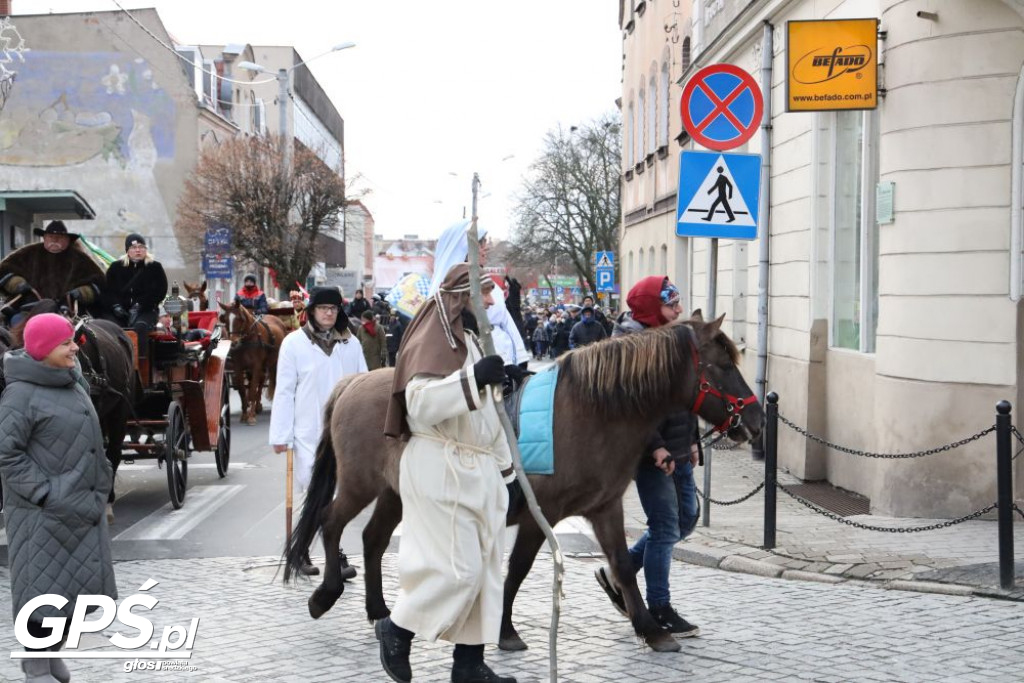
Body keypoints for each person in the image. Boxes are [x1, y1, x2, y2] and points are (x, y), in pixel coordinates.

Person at [378, 264, 522, 683]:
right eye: (487, 295)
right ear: (465, 297)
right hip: (440, 466)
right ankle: (397, 628)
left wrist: (507, 474)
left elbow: (488, 419)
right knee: (458, 571)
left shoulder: (472, 341)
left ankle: (469, 664)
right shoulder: (433, 338)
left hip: (478, 469)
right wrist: (471, 379)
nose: (493, 302)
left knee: (484, 569)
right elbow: (419, 403)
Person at [0, 313, 117, 683]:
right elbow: (6, 454)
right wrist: (45, 494)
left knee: (70, 590)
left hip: (81, 508)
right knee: (42, 590)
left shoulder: (72, 381)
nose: (74, 348)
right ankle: (35, 665)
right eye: (65, 343)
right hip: (43, 512)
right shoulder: (20, 393)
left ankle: (51, 655)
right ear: (42, 348)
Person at [594, 275, 701, 639]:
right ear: (653, 308)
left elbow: (688, 391)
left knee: (686, 520)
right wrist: (655, 445)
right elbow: (631, 406)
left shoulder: (673, 336)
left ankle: (617, 574)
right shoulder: (628, 344)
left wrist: (694, 437)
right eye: (672, 305)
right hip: (648, 452)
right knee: (665, 527)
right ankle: (659, 608)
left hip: (680, 444)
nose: (680, 310)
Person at [270, 286, 366, 577]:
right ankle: (330, 555)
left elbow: (362, 385)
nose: (328, 313)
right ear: (311, 310)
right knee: (320, 494)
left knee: (332, 496)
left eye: (333, 308)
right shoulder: (294, 344)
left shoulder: (351, 345)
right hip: (307, 431)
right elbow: (285, 391)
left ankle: (301, 553)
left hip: (343, 432)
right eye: (323, 307)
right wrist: (280, 435)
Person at [0, 220, 105, 322]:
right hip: (30, 308)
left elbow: (100, 282)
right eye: (50, 237)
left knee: (79, 333)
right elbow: (3, 270)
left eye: (59, 237)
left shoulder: (81, 259)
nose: (54, 240)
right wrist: (17, 283)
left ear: (68, 240)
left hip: (68, 311)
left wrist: (82, 292)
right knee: (16, 322)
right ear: (44, 238)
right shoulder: (27, 253)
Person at [103, 233, 168, 359]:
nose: (138, 250)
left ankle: (140, 361)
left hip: (146, 310)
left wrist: (141, 304)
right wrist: (115, 306)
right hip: (120, 311)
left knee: (141, 327)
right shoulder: (115, 267)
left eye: (141, 247)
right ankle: (112, 358)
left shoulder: (155, 267)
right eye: (134, 247)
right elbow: (107, 291)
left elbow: (160, 291)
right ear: (127, 250)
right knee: (110, 327)